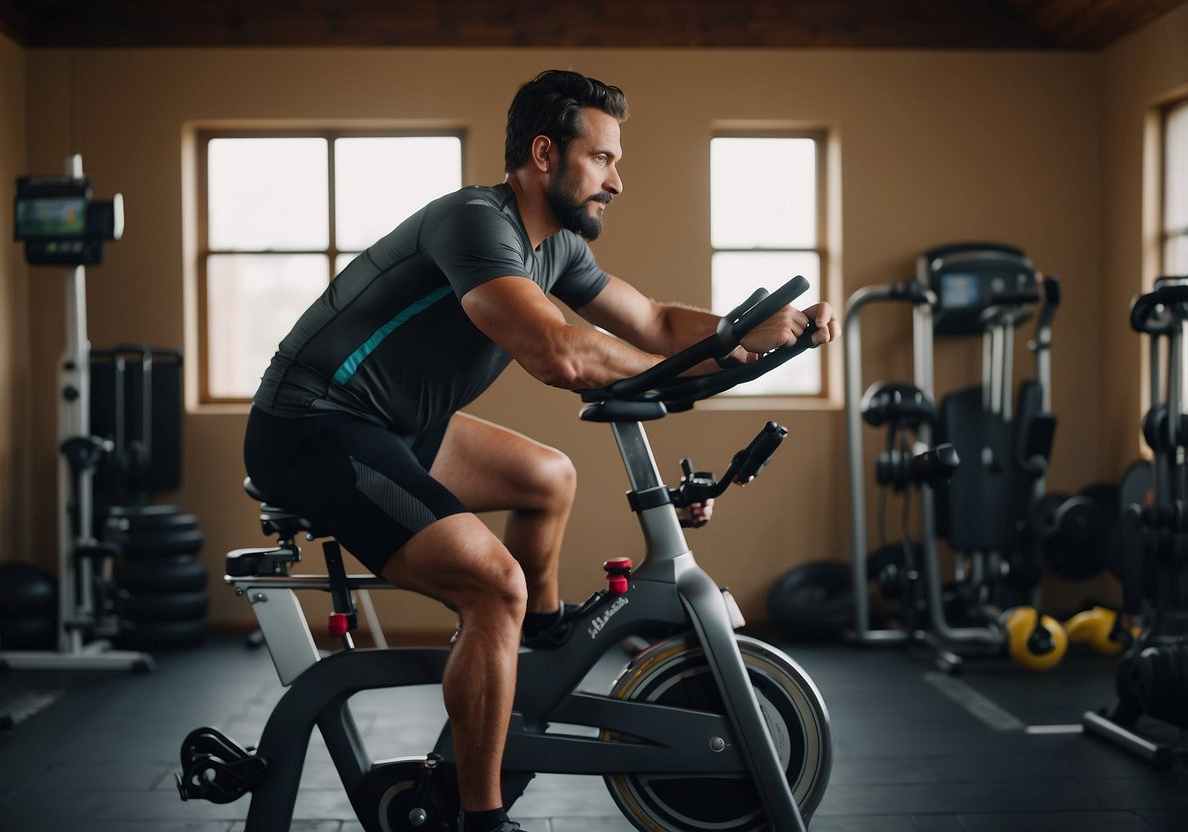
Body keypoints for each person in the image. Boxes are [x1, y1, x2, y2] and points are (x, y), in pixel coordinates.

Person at [243, 69, 840, 832]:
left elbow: (653, 323)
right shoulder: (474, 222)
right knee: (493, 587)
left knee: (545, 476)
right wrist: (706, 364)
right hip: (311, 428)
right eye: (602, 159)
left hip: (389, 425)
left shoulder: (554, 246)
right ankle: (479, 817)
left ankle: (537, 643)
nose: (616, 182)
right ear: (543, 154)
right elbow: (561, 354)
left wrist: (755, 330)